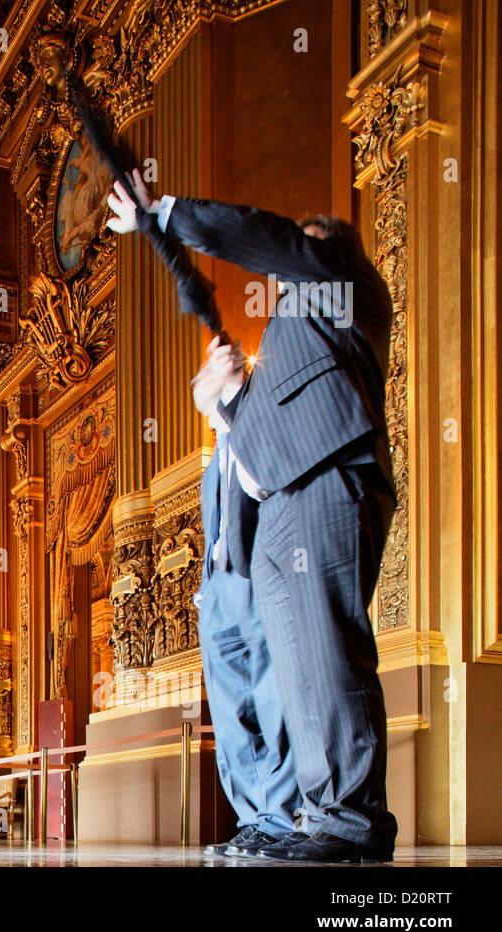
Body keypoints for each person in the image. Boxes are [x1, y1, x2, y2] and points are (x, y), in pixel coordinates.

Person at [108, 170, 397, 863]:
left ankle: (351, 823)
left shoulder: (339, 279)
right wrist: (230, 401)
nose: (293, 256)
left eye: (303, 244)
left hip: (329, 472)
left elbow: (269, 239)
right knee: (298, 664)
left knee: (326, 652)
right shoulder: (298, 332)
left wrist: (166, 215)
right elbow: (261, 433)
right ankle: (312, 817)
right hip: (284, 496)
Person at [188, 340, 301, 856]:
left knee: (271, 699)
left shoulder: (258, 433)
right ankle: (254, 818)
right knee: (231, 709)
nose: (204, 403)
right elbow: (217, 529)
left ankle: (280, 816)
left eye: (209, 390)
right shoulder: (213, 463)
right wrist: (206, 588)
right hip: (219, 594)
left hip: (261, 582)